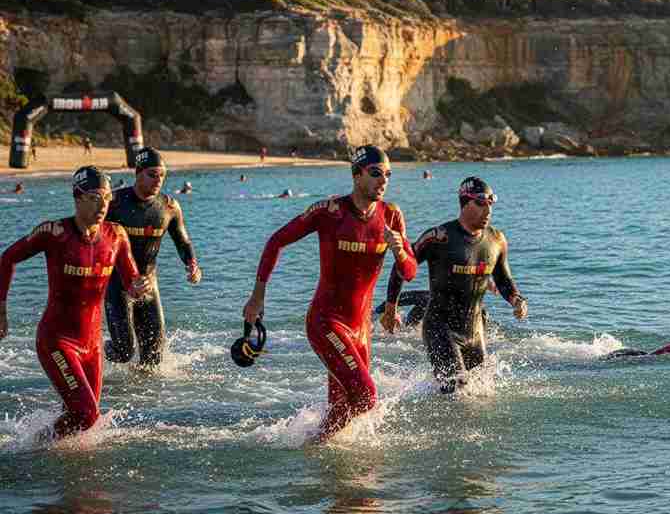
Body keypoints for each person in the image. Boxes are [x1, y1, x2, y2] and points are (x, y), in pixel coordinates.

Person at [243, 144, 417, 443]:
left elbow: (410, 271)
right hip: (326, 322)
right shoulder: (329, 212)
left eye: (387, 174)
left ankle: (316, 454)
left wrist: (399, 251)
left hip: (361, 330)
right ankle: (313, 447)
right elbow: (276, 241)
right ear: (356, 175)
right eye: (376, 173)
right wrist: (258, 296)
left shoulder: (391, 215)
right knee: (365, 395)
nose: (383, 180)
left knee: (342, 407)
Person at [0, 166, 151, 439]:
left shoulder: (116, 235)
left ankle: (57, 465)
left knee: (84, 419)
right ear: (77, 197)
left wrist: (139, 287)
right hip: (57, 341)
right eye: (95, 197)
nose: (103, 204)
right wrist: (1, 310)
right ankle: (34, 445)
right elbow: (7, 258)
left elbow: (131, 282)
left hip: (92, 345)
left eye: (107, 198)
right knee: (87, 414)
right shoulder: (54, 232)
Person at [382, 176, 527, 393]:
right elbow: (402, 266)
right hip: (440, 328)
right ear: (464, 203)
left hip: (475, 332)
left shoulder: (497, 239)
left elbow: (503, 279)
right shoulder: (439, 237)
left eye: (490, 203)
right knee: (455, 391)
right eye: (480, 203)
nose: (487, 210)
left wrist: (517, 300)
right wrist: (391, 307)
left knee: (481, 394)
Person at [104, 147, 202, 368]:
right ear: (137, 173)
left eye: (162, 176)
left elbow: (183, 242)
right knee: (124, 352)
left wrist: (192, 265)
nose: (158, 180)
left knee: (153, 359)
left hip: (149, 284)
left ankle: (141, 399)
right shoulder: (114, 203)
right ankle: (94, 352)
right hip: (117, 284)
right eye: (152, 175)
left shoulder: (169, 207)